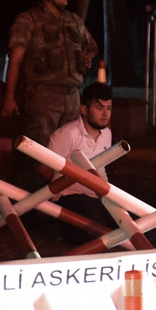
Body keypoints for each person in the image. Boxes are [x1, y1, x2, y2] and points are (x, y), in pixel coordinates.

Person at [0, 0, 98, 150]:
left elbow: (92, 46)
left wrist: (88, 54)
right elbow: (16, 60)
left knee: (69, 153)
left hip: (72, 97)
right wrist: (9, 97)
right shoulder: (28, 20)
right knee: (39, 153)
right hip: (43, 98)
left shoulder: (74, 21)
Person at [42, 82, 115, 244]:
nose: (105, 114)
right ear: (84, 109)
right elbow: (45, 169)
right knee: (93, 231)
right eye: (99, 108)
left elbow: (102, 168)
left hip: (101, 195)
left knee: (136, 222)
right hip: (70, 196)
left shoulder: (107, 134)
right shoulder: (67, 134)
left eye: (108, 109)